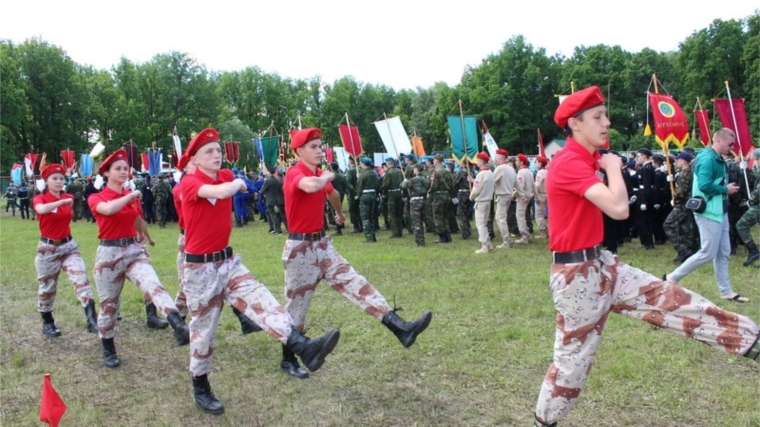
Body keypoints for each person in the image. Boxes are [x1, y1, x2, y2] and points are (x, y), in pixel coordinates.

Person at [532, 87, 760, 427]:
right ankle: (544, 421)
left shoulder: (583, 157)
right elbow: (620, 209)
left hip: (601, 262)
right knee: (572, 362)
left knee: (673, 299)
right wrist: (611, 166)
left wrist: (604, 161)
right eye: (598, 117)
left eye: (605, 114)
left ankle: (751, 340)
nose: (607, 122)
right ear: (575, 124)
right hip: (576, 276)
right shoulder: (569, 162)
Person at [180, 128, 340, 414]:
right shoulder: (189, 182)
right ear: (195, 159)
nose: (217, 155)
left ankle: (303, 347)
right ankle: (200, 386)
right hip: (199, 268)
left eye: (218, 150)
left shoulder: (227, 175)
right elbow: (223, 190)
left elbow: (245, 187)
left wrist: (239, 182)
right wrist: (236, 184)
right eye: (209, 152)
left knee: (263, 299)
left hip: (228, 262)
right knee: (203, 332)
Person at [280, 127, 432, 379]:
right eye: (313, 147)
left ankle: (400, 328)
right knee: (297, 307)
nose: (319, 151)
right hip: (301, 250)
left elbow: (334, 193)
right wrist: (327, 176)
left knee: (355, 283)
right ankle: (288, 359)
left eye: (320, 146)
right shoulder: (295, 173)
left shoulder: (320, 174)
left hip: (322, 245)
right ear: (298, 152)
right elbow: (312, 186)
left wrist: (339, 212)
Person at [88, 149, 190, 369]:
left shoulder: (131, 195)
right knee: (109, 306)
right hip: (109, 255)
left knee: (154, 286)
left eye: (126, 168)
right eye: (118, 169)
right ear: (106, 173)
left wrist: (146, 236)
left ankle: (178, 325)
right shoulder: (97, 197)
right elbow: (107, 210)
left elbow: (136, 219)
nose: (124, 172)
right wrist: (129, 196)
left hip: (134, 251)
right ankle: (108, 348)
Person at [665, 128, 750, 302]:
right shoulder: (707, 159)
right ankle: (672, 278)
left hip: (720, 211)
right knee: (707, 252)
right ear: (719, 141)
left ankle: (726, 291)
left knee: (723, 252)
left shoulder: (717, 160)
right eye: (730, 143)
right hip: (709, 211)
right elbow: (704, 186)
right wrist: (725, 189)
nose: (732, 147)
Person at [33, 164, 98, 337]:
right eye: (54, 178)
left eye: (61, 178)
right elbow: (41, 210)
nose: (59, 181)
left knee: (81, 279)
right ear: (46, 181)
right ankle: (48, 323)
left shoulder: (68, 196)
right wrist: (61, 201)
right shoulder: (41, 198)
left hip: (68, 246)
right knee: (47, 288)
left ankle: (92, 320)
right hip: (47, 249)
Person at [663, 151, 699, 263]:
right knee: (686, 228)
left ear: (683, 161)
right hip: (687, 204)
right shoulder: (687, 172)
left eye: (678, 160)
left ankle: (682, 249)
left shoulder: (685, 173)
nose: (676, 162)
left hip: (682, 204)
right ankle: (689, 251)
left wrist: (674, 197)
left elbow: (681, 192)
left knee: (668, 225)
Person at [468, 152, 495, 254]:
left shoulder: (481, 174)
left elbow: (476, 190)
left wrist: (471, 197)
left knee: (480, 224)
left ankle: (484, 246)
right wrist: (473, 181)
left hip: (481, 201)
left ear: (480, 161)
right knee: (484, 223)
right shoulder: (490, 173)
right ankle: (488, 243)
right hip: (488, 200)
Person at [400, 163, 429, 247]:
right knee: (421, 221)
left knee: (416, 223)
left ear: (416, 170)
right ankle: (421, 239)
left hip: (415, 201)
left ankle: (419, 242)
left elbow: (403, 186)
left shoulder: (413, 180)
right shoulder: (425, 179)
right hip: (423, 200)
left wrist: (404, 181)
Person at [493, 149, 516, 248]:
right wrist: (522, 194)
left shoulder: (500, 168)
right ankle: (507, 239)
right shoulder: (511, 169)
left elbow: (492, 181)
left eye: (497, 156)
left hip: (502, 196)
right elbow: (517, 183)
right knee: (502, 217)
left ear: (501, 157)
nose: (496, 158)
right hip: (509, 195)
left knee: (500, 218)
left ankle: (506, 240)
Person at [635, 147, 656, 249]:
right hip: (645, 195)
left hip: (645, 196)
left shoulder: (646, 168)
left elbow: (646, 186)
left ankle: (647, 243)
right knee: (646, 220)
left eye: (639, 156)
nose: (637, 158)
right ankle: (648, 242)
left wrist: (644, 201)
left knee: (642, 220)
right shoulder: (646, 167)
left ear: (644, 156)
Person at [430, 153, 453, 243]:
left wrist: (429, 192)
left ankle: (442, 236)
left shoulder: (436, 172)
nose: (433, 161)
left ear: (437, 161)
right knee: (445, 216)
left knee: (437, 216)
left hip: (438, 195)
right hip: (446, 195)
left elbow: (434, 185)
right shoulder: (446, 171)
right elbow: (451, 184)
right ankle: (448, 235)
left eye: (434, 160)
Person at [356, 157, 379, 242]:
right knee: (372, 216)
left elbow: (359, 186)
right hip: (373, 195)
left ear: (363, 164)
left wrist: (358, 195)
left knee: (365, 217)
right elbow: (377, 184)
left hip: (365, 196)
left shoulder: (363, 174)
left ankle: (369, 238)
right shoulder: (374, 173)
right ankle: (373, 236)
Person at [381, 157, 404, 238]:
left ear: (388, 163)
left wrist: (383, 193)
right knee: (399, 213)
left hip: (391, 194)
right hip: (399, 192)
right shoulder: (399, 171)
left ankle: (395, 233)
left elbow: (386, 184)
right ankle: (400, 231)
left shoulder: (388, 172)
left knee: (392, 213)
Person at [514, 153, 534, 243]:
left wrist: (513, 195)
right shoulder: (529, 171)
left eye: (517, 160)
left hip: (523, 197)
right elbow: (533, 185)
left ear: (522, 162)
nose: (515, 162)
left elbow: (520, 186)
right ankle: (527, 233)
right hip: (528, 195)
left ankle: (524, 236)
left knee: (520, 216)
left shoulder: (521, 172)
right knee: (523, 216)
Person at [260, 167, 286, 235]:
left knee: (273, 215)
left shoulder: (268, 181)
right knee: (280, 215)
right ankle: (283, 228)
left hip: (271, 200)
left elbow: (262, 191)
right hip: (279, 200)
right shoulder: (278, 181)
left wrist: (262, 197)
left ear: (269, 172)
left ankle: (277, 230)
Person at [534, 156, 549, 239]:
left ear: (540, 163)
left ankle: (543, 232)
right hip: (547, 194)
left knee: (539, 214)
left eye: (536, 162)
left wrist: (536, 196)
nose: (536, 164)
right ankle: (546, 231)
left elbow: (537, 185)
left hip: (541, 194)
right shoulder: (547, 171)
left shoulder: (540, 172)